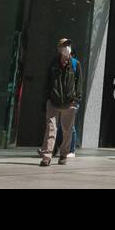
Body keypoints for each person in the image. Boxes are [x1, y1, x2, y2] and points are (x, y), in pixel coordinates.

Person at [40, 38, 82, 166]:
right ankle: (46, 156)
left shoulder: (75, 64)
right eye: (64, 45)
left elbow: (79, 83)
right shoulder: (53, 63)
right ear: (59, 49)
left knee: (67, 131)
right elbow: (47, 82)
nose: (66, 48)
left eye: (68, 45)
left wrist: (76, 99)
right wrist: (46, 98)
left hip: (69, 103)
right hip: (53, 101)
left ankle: (63, 155)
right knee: (51, 129)